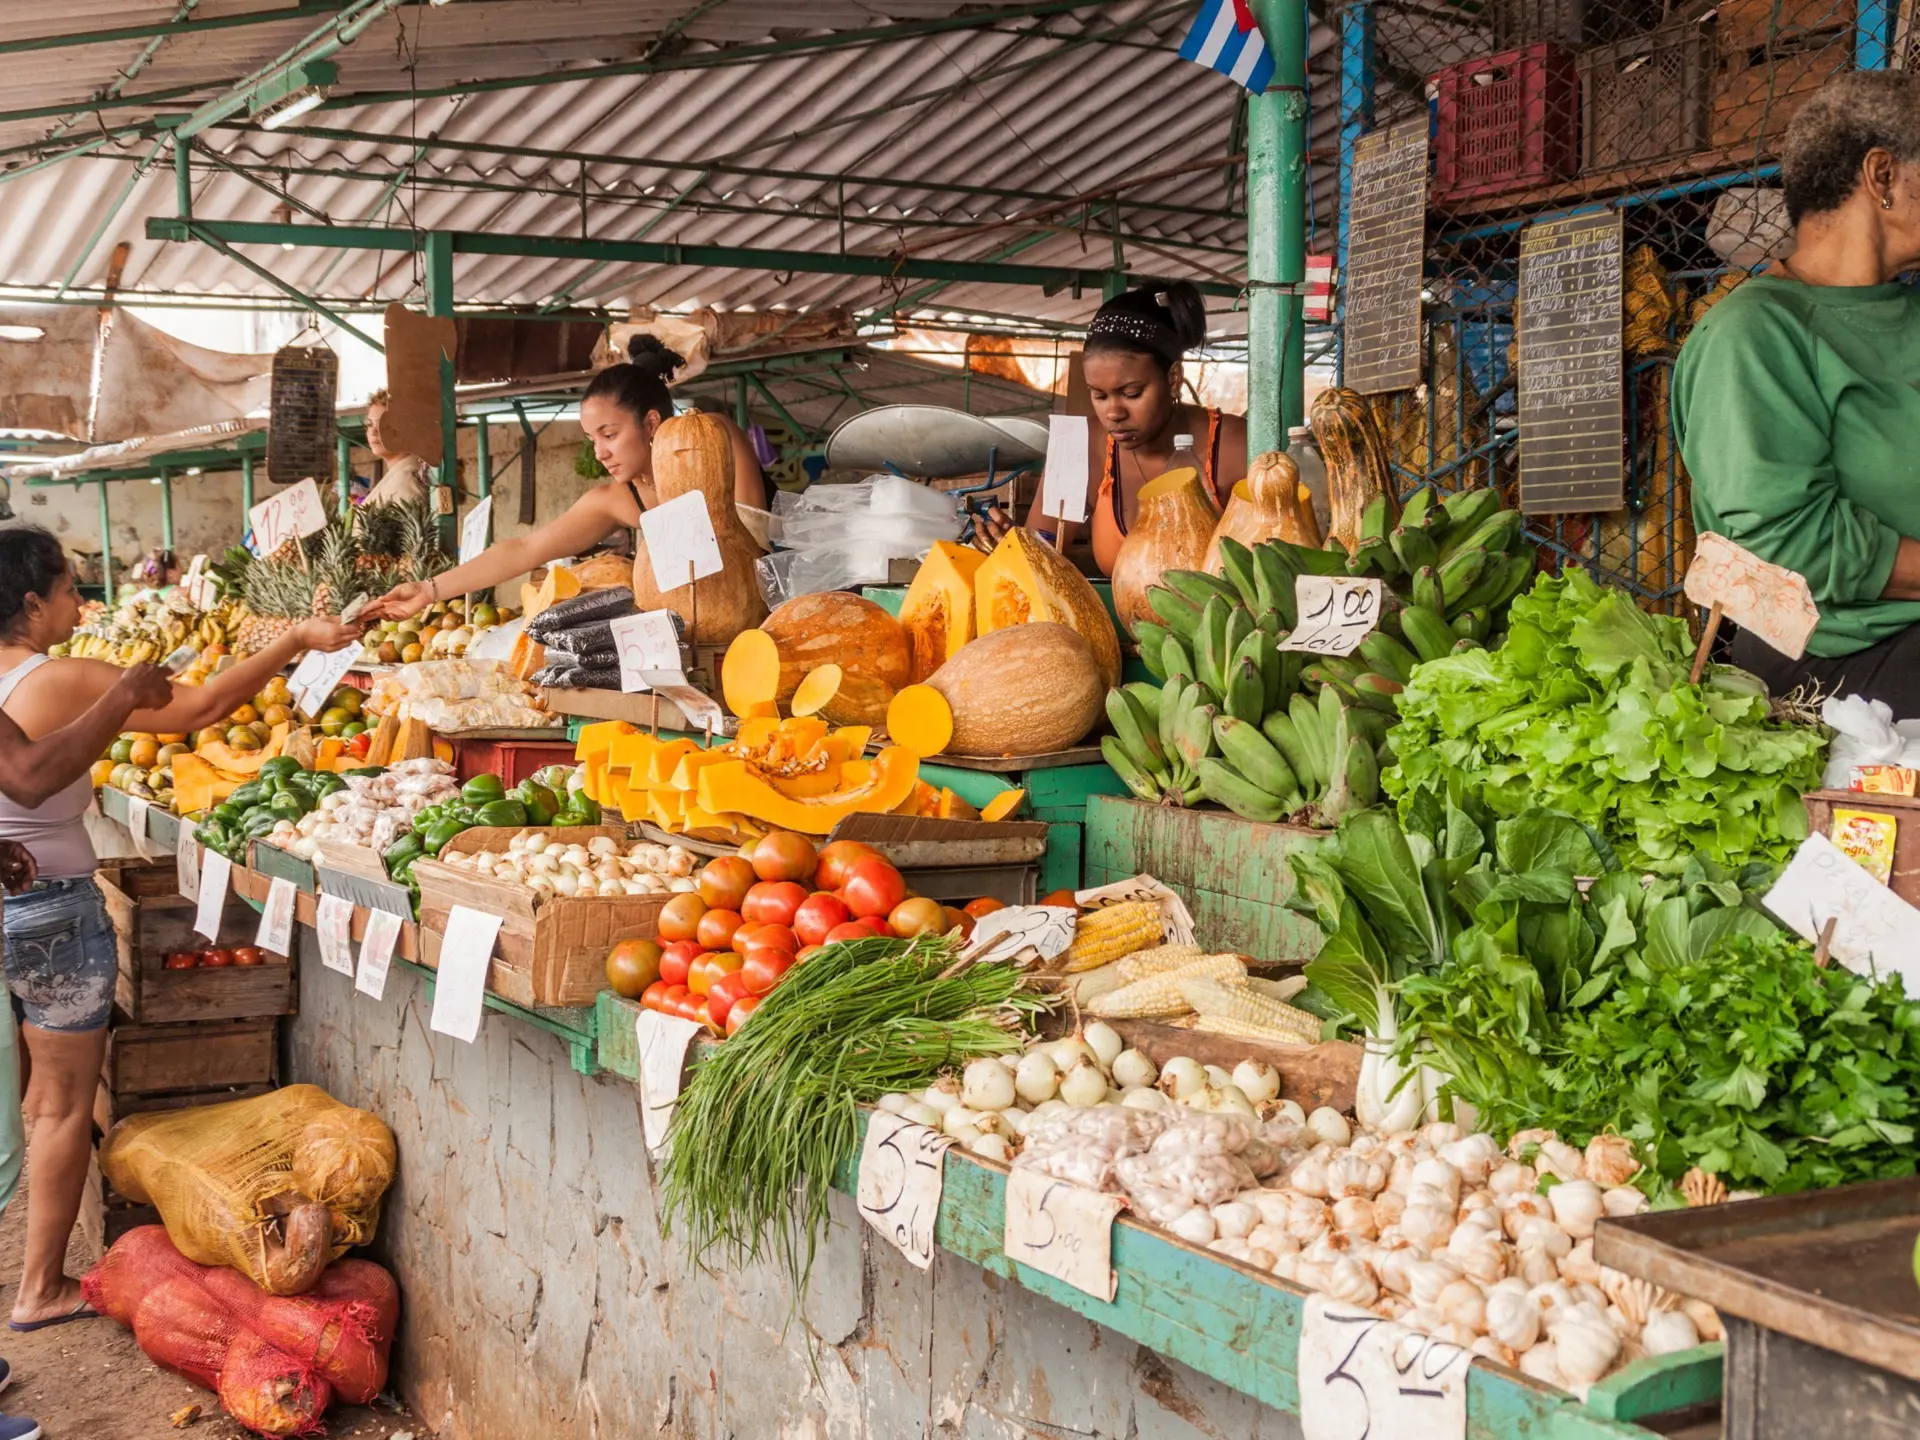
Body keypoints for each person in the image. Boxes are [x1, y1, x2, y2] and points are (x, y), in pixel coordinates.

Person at [0, 526, 360, 1339]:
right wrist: (297, 640)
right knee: (60, 1109)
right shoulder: (58, 681)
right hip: (51, 907)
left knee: (21, 1100)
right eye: (67, 589)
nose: (80, 603)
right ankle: (39, 1289)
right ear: (30, 603)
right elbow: (205, 707)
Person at [1674, 70, 1920, 711]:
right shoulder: (1753, 335)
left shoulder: (1910, 314)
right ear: (1883, 178)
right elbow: (1784, 540)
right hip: (1843, 660)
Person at [360, 336, 767, 623]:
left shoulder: (711, 435)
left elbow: (753, 543)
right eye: (593, 439)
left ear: (652, 422)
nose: (600, 452)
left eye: (610, 435)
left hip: (766, 619)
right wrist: (430, 590)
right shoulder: (617, 499)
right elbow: (524, 549)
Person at [976, 280, 1249, 574]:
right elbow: (1041, 556)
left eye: (1131, 394)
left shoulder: (1233, 446)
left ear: (1173, 378)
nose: (1114, 413)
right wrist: (1015, 549)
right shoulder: (1080, 444)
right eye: (1099, 395)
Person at [359, 389, 432, 509]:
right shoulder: (398, 475)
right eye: (369, 424)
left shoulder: (408, 479)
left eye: (385, 425)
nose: (374, 431)